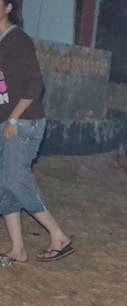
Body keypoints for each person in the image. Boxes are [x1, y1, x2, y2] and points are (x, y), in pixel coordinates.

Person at [0, 0, 74, 268]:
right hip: (6, 121)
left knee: (15, 178)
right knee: (4, 185)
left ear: (9, 8)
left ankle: (58, 236)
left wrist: (13, 118)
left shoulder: (17, 40)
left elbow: (35, 84)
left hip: (23, 121)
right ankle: (18, 249)